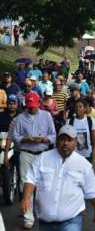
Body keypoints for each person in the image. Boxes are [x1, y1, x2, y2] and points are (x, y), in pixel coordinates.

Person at [20, 124, 95, 231]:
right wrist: (26, 198)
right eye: (62, 139)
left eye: (69, 140)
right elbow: (30, 179)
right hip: (45, 222)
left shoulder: (83, 164)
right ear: (56, 141)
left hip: (71, 220)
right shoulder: (42, 158)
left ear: (75, 142)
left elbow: (92, 191)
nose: (65, 143)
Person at [13, 92, 56, 229]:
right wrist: (26, 139)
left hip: (43, 153)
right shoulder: (20, 118)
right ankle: (28, 218)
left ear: (38, 104)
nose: (32, 108)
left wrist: (45, 139)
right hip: (26, 153)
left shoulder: (47, 116)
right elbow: (15, 136)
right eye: (29, 106)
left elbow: (53, 135)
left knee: (44, 184)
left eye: (34, 105)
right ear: (26, 104)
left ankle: (43, 211)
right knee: (25, 184)